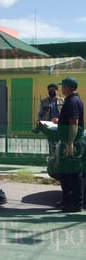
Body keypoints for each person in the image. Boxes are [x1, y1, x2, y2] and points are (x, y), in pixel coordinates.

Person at [56, 77, 84, 212]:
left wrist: (70, 143)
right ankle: (67, 200)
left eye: (63, 86)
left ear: (67, 87)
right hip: (67, 141)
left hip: (72, 142)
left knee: (73, 173)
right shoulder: (70, 101)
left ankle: (76, 203)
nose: (61, 88)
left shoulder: (72, 101)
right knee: (65, 173)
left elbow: (74, 123)